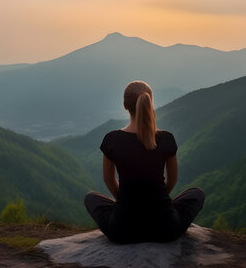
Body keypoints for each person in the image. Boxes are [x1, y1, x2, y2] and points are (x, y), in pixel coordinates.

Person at [84, 80, 205, 244]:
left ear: (125, 105)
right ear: (150, 103)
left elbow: (109, 180)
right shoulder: (166, 139)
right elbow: (172, 180)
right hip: (166, 229)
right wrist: (154, 201)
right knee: (196, 194)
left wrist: (128, 201)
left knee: (91, 198)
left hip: (122, 231)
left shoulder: (111, 139)